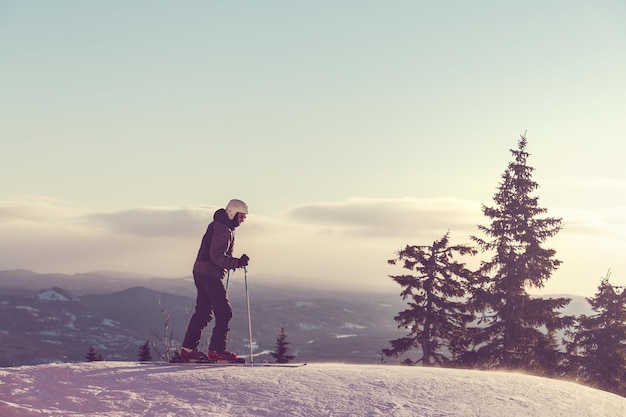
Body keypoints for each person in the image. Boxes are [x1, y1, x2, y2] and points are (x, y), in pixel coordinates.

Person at [179, 199, 250, 362]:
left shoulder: (220, 225)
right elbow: (217, 256)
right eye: (241, 216)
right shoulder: (223, 228)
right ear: (232, 213)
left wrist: (233, 262)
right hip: (209, 273)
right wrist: (236, 263)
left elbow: (215, 254)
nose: (243, 220)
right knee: (224, 312)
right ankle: (217, 350)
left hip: (201, 271)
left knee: (203, 312)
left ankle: (188, 349)